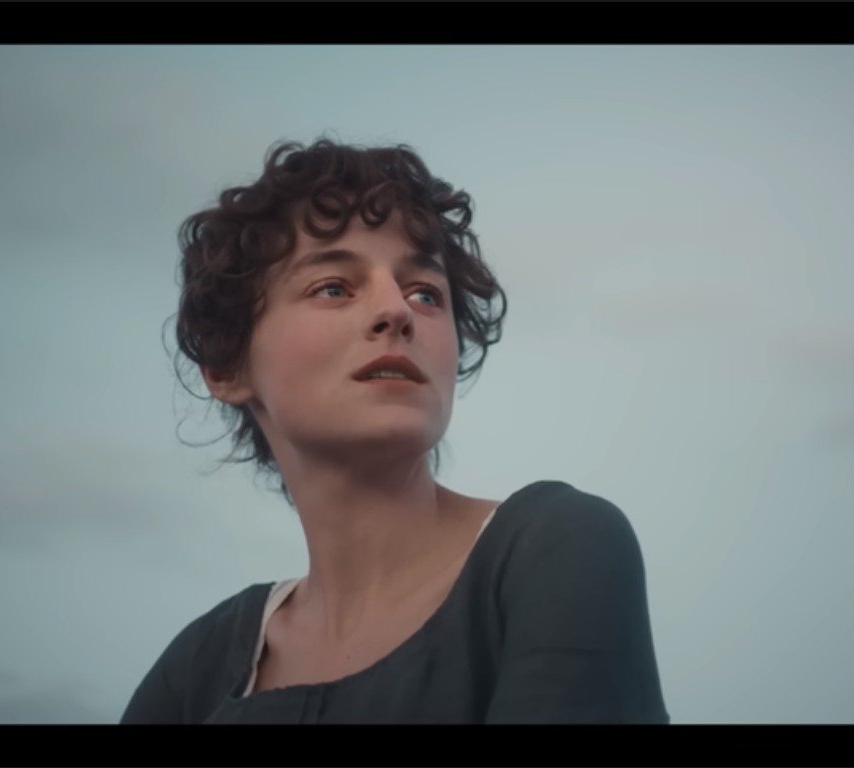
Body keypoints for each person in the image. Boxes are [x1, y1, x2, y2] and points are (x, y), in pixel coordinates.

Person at [121, 137, 669, 724]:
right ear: (226, 367)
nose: (397, 310)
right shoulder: (196, 670)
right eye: (334, 287)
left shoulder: (554, 550)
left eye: (425, 293)